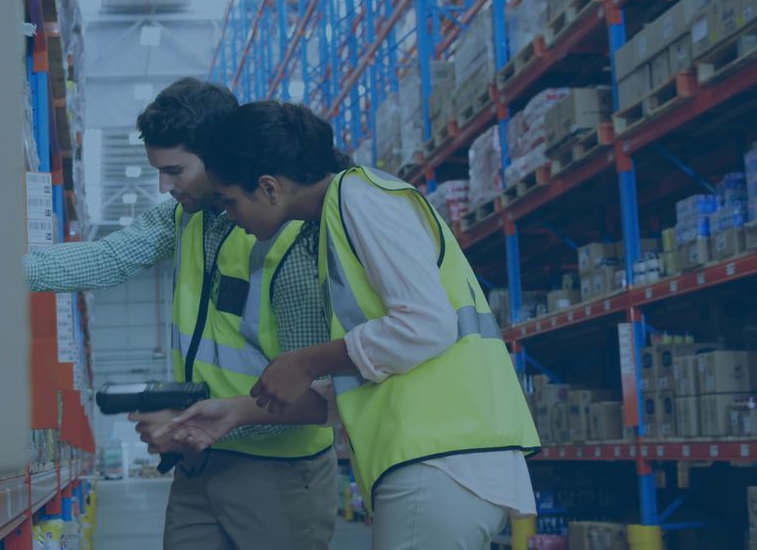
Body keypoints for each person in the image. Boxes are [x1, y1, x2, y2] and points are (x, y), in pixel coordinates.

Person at [155, 100, 541, 550]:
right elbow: (364, 379)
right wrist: (236, 413)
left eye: (230, 202)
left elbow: (427, 324)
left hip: (441, 459)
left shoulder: (360, 197)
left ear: (268, 187)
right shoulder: (336, 222)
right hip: (434, 460)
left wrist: (306, 360)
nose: (228, 216)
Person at [23, 79, 337, 549]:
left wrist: (191, 422)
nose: (164, 187)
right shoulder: (182, 218)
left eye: (175, 171)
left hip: (278, 473)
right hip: (199, 463)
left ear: (217, 156)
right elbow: (106, 259)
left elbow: (316, 395)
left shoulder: (290, 242)